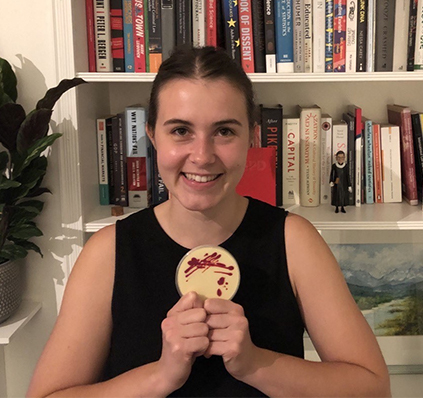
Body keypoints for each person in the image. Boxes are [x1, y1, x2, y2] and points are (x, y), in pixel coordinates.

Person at [27, 46, 390, 397]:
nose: (202, 156)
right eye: (181, 130)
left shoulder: (293, 241)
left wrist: (254, 363)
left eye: (224, 131)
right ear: (152, 135)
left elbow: (372, 389)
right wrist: (161, 375)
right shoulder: (108, 252)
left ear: (254, 136)